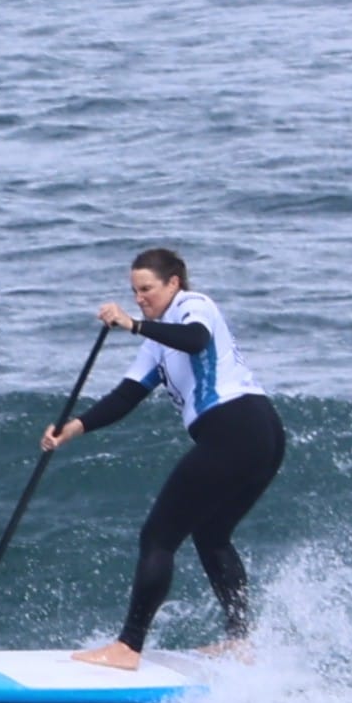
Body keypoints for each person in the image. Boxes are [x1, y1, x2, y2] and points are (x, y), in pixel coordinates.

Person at [41, 248, 286, 670]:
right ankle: (241, 641)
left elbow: (196, 340)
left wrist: (134, 325)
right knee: (212, 533)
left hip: (237, 426)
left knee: (158, 536)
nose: (140, 298)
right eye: (134, 292)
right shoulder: (157, 345)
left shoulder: (195, 306)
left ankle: (127, 647)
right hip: (257, 436)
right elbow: (127, 396)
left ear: (173, 283)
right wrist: (73, 429)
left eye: (147, 289)